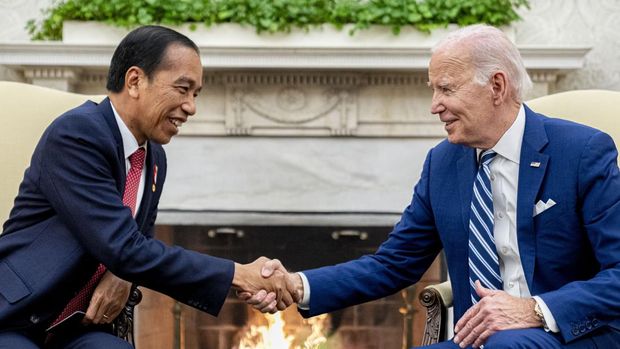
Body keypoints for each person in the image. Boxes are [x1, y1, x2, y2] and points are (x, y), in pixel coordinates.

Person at [242, 24, 620, 348]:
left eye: (446, 89)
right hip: (483, 339)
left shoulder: (582, 151)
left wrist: (534, 309)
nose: (434, 106)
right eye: (433, 90)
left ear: (497, 86)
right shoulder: (444, 163)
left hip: (572, 333)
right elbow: (392, 264)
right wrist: (296, 284)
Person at [0, 25, 295, 348]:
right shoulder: (78, 134)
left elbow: (139, 242)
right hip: (16, 315)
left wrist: (125, 274)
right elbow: (123, 246)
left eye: (196, 94)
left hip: (79, 325)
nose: (191, 107)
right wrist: (237, 274)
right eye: (183, 89)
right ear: (135, 81)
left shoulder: (154, 158)